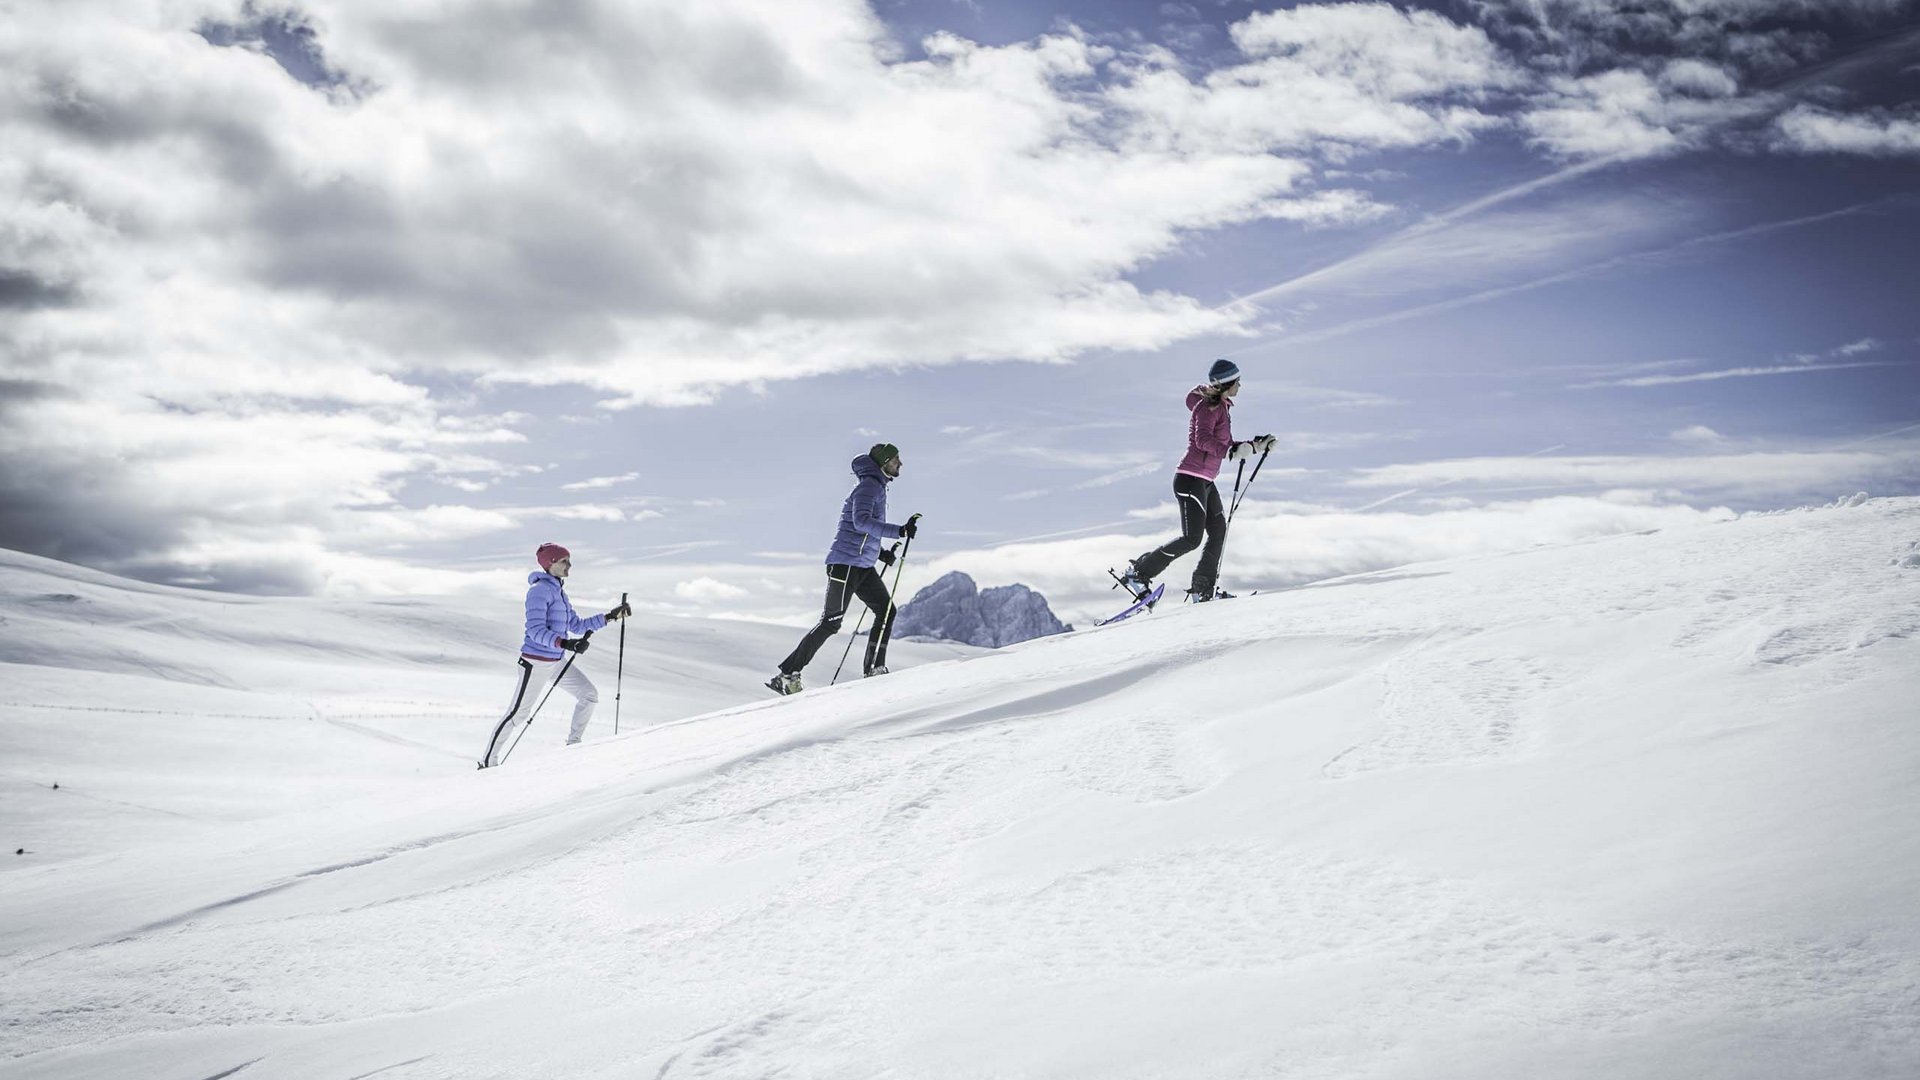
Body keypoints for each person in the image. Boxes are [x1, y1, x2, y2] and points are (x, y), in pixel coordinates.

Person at [1118, 359, 1276, 603]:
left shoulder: (1221, 407)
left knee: (1218, 531)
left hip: (1205, 481)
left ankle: (1203, 589)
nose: (1240, 386)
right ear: (1227, 383)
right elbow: (1202, 440)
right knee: (1192, 538)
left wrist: (1255, 446)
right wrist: (1230, 452)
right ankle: (1139, 573)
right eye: (1238, 382)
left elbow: (1223, 445)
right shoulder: (1208, 407)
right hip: (1190, 479)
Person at [768, 443, 920, 695]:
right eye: (896, 460)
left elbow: (860, 531)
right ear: (884, 463)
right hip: (845, 565)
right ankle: (786, 675)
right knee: (831, 622)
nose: (900, 464)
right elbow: (860, 522)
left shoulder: (876, 487)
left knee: (886, 611)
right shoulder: (868, 487)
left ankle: (874, 668)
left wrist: (881, 554)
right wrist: (899, 531)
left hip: (861, 565)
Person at [481, 543, 631, 766]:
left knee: (589, 695)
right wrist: (565, 643)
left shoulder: (559, 592)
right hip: (535, 663)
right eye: (564, 561)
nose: (569, 565)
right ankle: (487, 762)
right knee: (518, 714)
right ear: (551, 563)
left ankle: (574, 745)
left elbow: (576, 625)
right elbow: (535, 630)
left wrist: (610, 617)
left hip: (556, 661)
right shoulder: (538, 591)